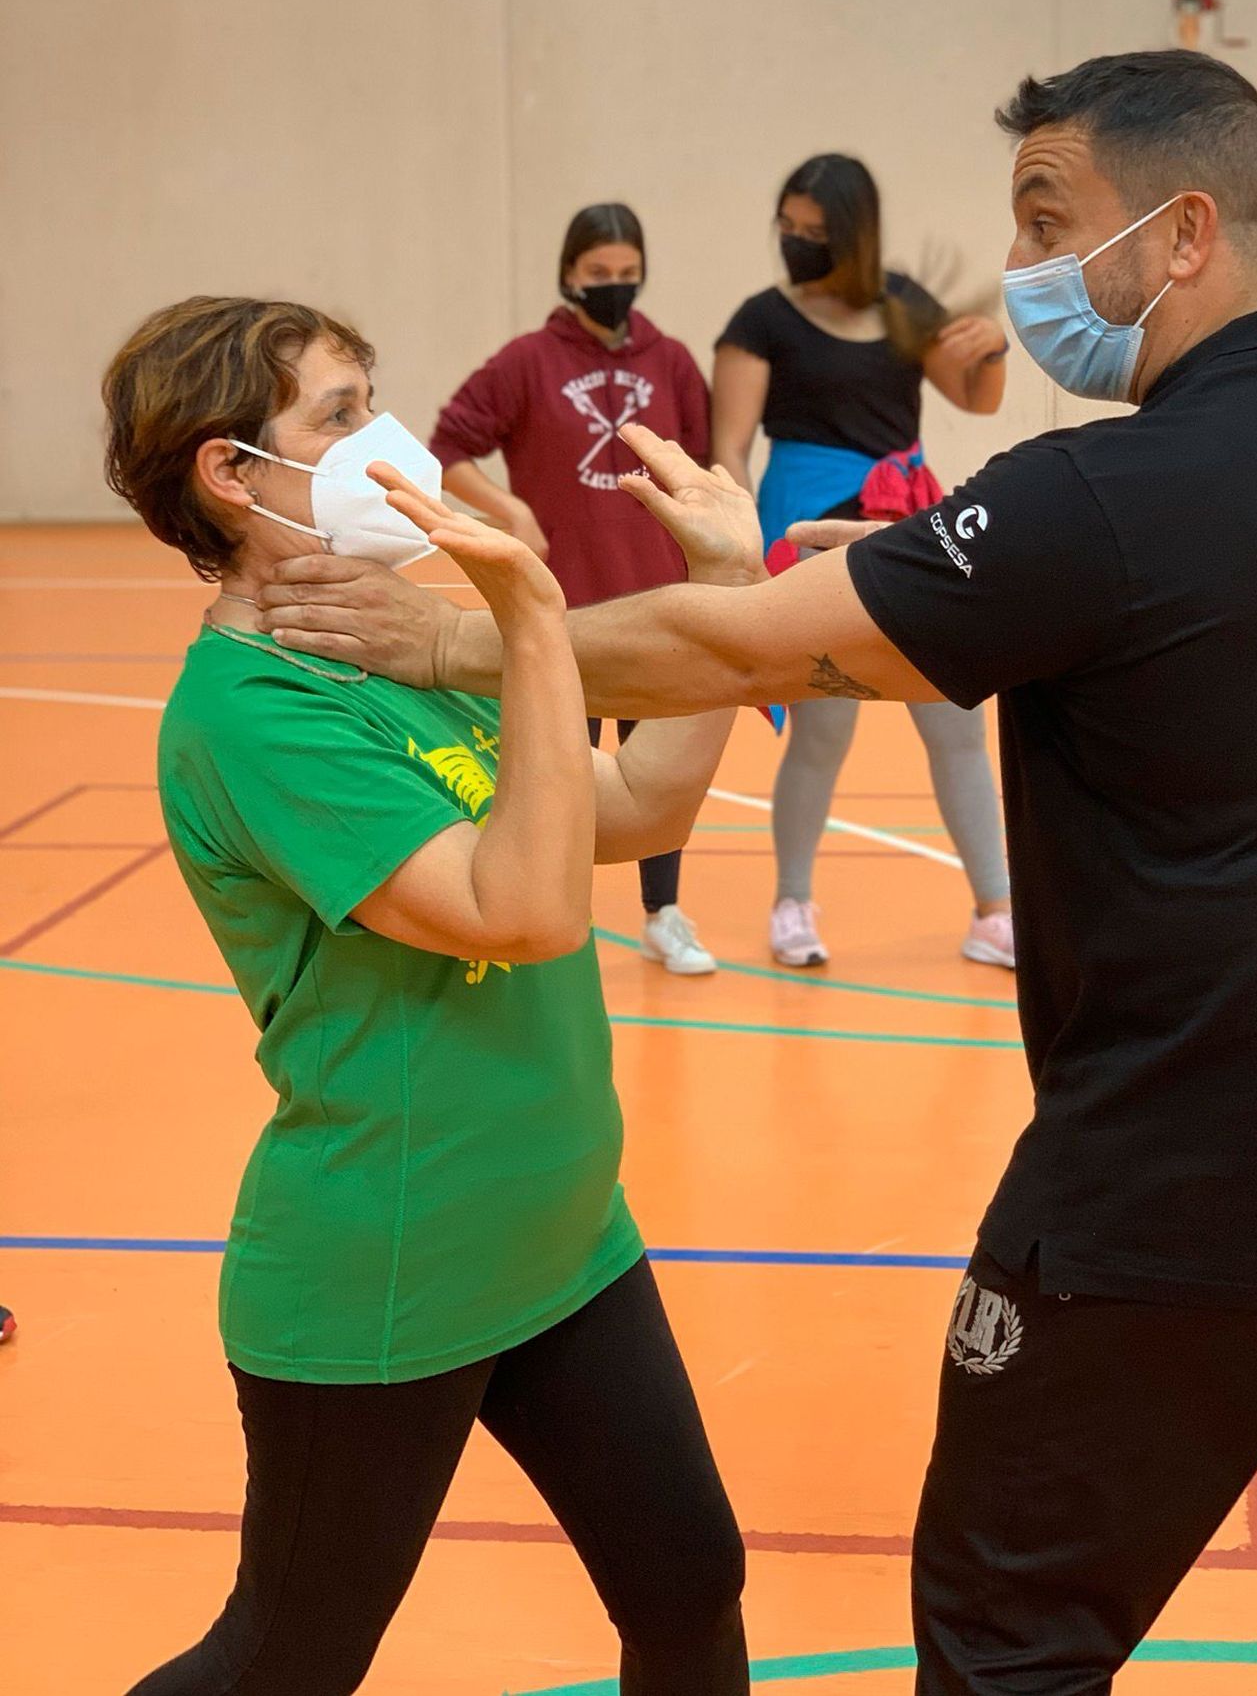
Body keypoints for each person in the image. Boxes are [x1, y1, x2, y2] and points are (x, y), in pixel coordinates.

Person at [264, 52, 1257, 1695]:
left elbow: (726, 635)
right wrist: (914, 574)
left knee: (1007, 1643)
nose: (1027, 270)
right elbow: (1185, 621)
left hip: (1182, 1203)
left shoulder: (1103, 499)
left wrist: (476, 636)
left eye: (1052, 221)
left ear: (1183, 231)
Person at [103, 296, 748, 1696]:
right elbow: (524, 910)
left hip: (564, 1230)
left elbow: (631, 800)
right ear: (230, 472)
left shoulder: (395, 642)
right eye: (338, 416)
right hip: (390, 1261)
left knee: (690, 1587)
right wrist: (523, 602)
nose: (381, 437)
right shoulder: (252, 713)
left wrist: (729, 589)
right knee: (284, 1657)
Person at [713, 153, 1015, 969]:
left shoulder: (906, 305)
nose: (798, 243)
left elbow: (976, 394)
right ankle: (793, 901)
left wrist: (991, 349)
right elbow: (729, 446)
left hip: (909, 522)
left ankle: (995, 908)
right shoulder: (760, 320)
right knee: (824, 726)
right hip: (807, 530)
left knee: (955, 716)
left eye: (816, 232)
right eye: (789, 227)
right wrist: (742, 551)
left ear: (856, 234)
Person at [430, 202, 719, 976]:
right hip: (564, 611)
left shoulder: (674, 362)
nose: (614, 289)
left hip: (658, 603)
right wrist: (507, 507)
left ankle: (664, 913)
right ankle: (562, 911)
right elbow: (449, 444)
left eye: (627, 276)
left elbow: (700, 468)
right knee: (557, 770)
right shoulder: (526, 361)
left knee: (655, 772)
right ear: (569, 274)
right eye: (599, 276)